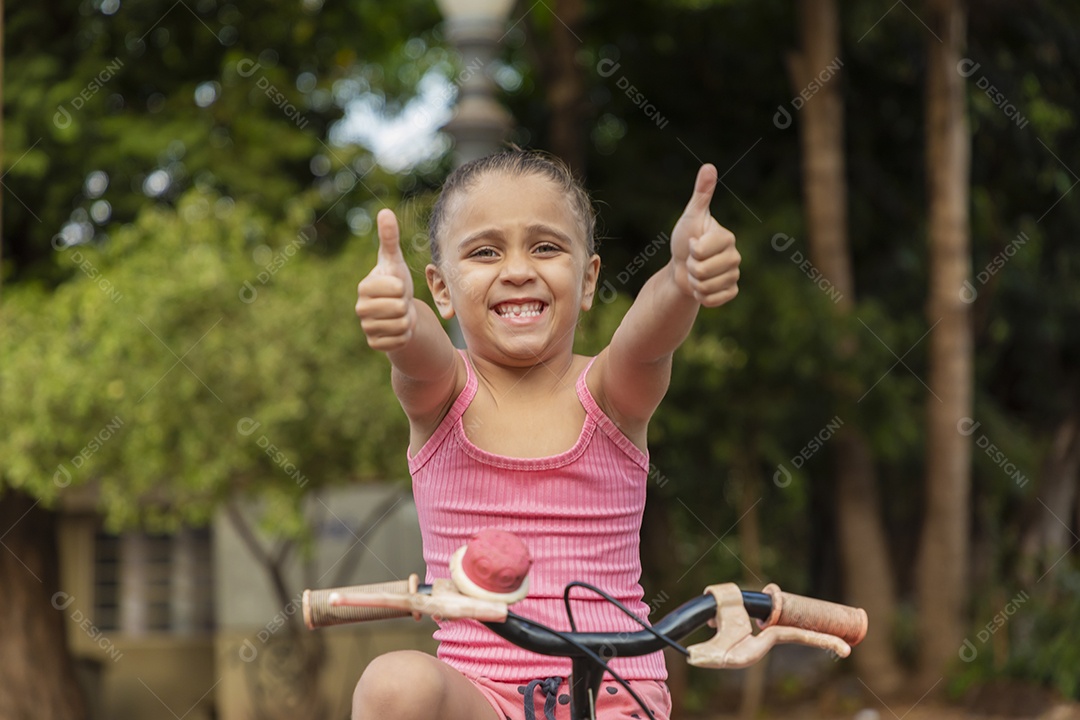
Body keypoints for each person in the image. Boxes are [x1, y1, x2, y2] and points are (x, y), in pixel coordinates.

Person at [352, 150, 740, 720]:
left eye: (546, 246)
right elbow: (422, 358)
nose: (517, 270)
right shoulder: (445, 394)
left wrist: (681, 279)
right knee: (394, 683)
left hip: (613, 695)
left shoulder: (611, 393)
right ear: (441, 288)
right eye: (485, 252)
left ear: (587, 280)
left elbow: (647, 340)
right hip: (479, 696)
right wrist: (403, 323)